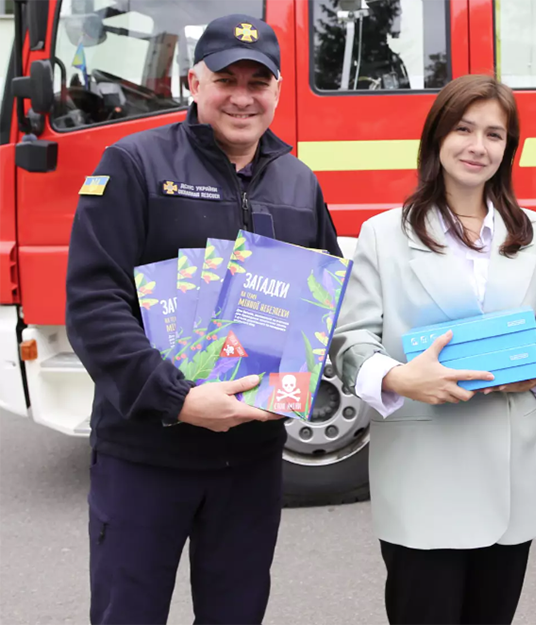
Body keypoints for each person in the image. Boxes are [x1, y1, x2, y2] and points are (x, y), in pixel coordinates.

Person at [65, 14, 342, 625]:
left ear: (277, 91)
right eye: (226, 79)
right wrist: (178, 400)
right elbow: (94, 302)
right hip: (146, 454)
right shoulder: (133, 164)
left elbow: (319, 302)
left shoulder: (299, 181)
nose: (242, 97)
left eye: (258, 81)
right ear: (194, 83)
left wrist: (297, 381)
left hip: (250, 461)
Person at [330, 73, 536, 625]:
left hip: (511, 471)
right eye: (463, 129)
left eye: (494, 134)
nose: (477, 146)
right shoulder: (383, 235)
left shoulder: (535, 233)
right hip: (424, 472)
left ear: (508, 148)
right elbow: (351, 339)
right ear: (437, 136)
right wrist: (399, 378)